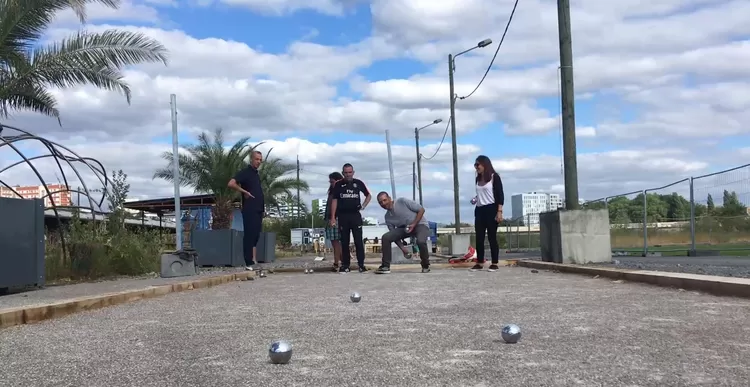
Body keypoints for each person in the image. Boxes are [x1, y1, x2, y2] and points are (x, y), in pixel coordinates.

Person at [329, 163, 371, 273]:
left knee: (358, 241)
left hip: (355, 215)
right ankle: (345, 265)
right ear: (343, 173)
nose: (348, 174)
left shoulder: (358, 183)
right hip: (343, 216)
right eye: (346, 172)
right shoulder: (338, 184)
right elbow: (334, 200)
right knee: (344, 242)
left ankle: (361, 265)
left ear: (353, 172)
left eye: (350, 172)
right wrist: (333, 217)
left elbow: (368, 195)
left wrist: (363, 206)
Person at [375, 192, 431, 274]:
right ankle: (385, 266)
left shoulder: (402, 201)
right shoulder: (387, 217)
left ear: (389, 198)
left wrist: (414, 224)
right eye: (380, 202)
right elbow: (394, 235)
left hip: (420, 224)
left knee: (421, 241)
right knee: (386, 237)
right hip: (405, 228)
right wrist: (403, 249)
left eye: (385, 200)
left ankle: (425, 265)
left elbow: (421, 210)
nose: (383, 203)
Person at [227, 150, 265, 271]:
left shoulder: (256, 174)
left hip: (258, 209)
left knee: (255, 235)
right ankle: (248, 262)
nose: (258, 162)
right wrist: (244, 192)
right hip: (250, 209)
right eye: (256, 159)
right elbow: (231, 183)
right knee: (249, 235)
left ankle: (253, 261)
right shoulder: (246, 172)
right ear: (251, 159)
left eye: (260, 160)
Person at [470, 155, 505, 272]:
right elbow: (482, 193)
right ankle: (479, 262)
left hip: (491, 209)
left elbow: (500, 195)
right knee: (479, 237)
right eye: (475, 165)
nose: (476, 167)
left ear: (485, 164)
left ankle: (494, 262)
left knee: (492, 237)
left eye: (477, 165)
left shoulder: (495, 177)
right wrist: (476, 199)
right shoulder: (477, 179)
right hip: (480, 209)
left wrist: (499, 212)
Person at [324, 171, 344, 272]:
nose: (331, 184)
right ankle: (341, 262)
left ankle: (337, 263)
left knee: (336, 243)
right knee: (335, 243)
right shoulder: (332, 191)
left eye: (332, 182)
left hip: (335, 218)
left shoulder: (338, 192)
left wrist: (332, 218)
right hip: (331, 218)